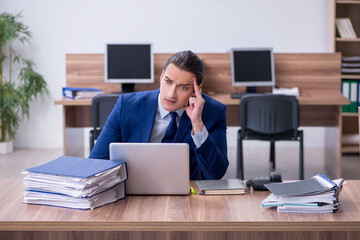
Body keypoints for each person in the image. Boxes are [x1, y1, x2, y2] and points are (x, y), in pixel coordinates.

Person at [90, 50, 228, 180]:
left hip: (186, 192)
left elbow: (215, 174)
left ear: (196, 90)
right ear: (161, 77)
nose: (171, 94)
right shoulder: (127, 105)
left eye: (183, 87)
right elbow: (96, 161)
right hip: (134, 188)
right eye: (168, 81)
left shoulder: (214, 112)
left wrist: (197, 124)